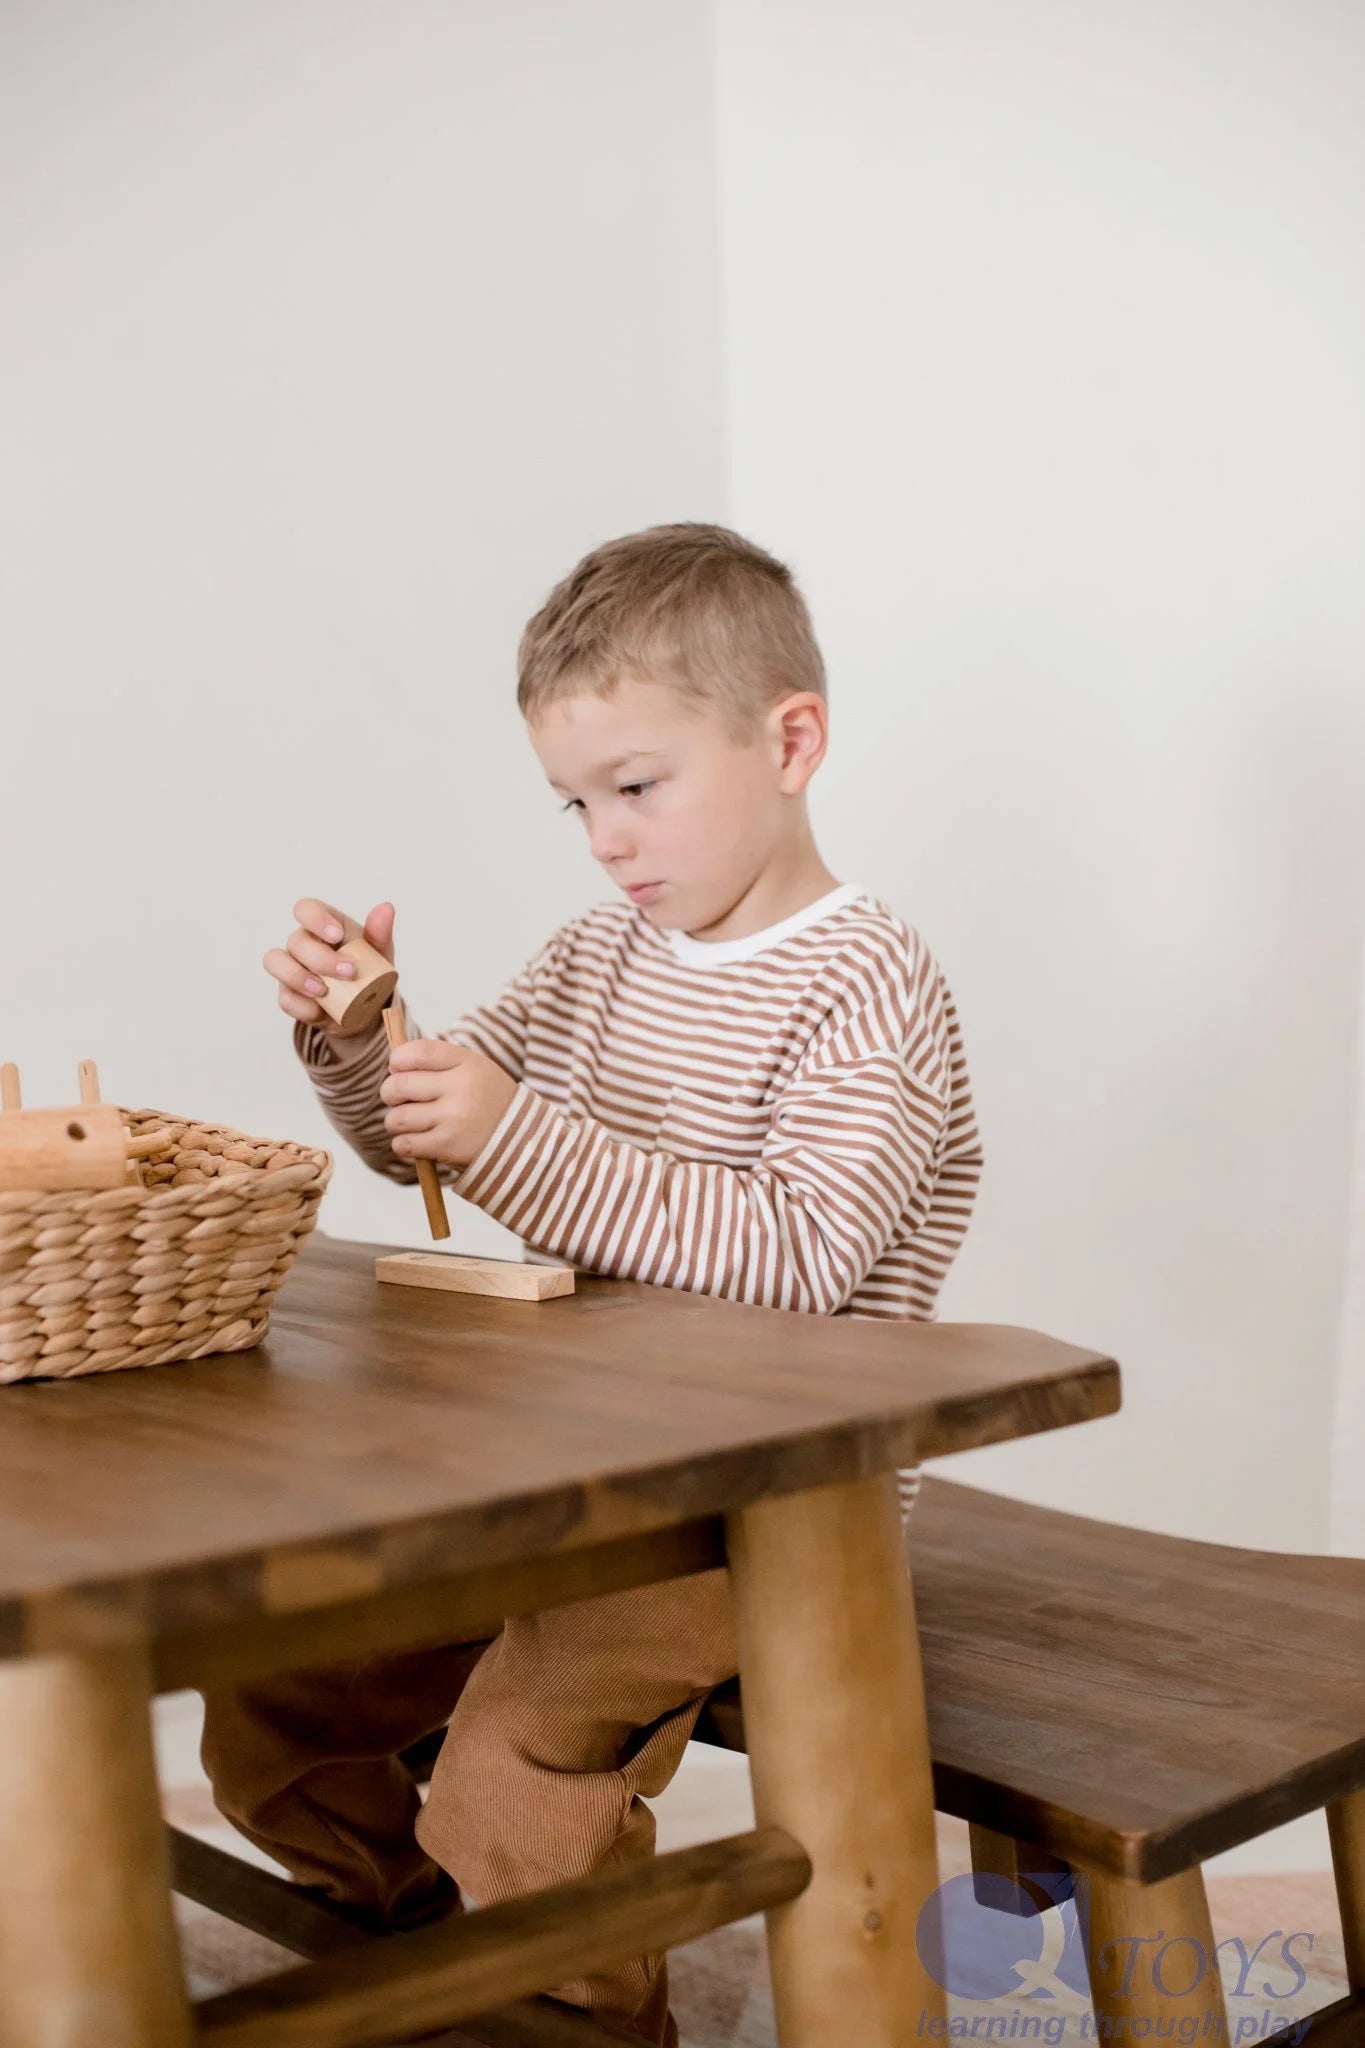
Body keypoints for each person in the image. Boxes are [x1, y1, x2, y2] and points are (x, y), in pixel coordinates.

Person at [200, 522, 985, 2046]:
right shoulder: (597, 956)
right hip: (570, 1471)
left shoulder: (865, 982)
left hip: (762, 1508)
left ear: (789, 742)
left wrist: (512, 1134)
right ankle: (418, 1950)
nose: (606, 840)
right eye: (576, 805)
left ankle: (567, 2012)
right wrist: (364, 1048)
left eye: (636, 788)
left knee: (511, 1770)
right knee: (282, 1699)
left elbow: (800, 1260)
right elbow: (420, 1142)